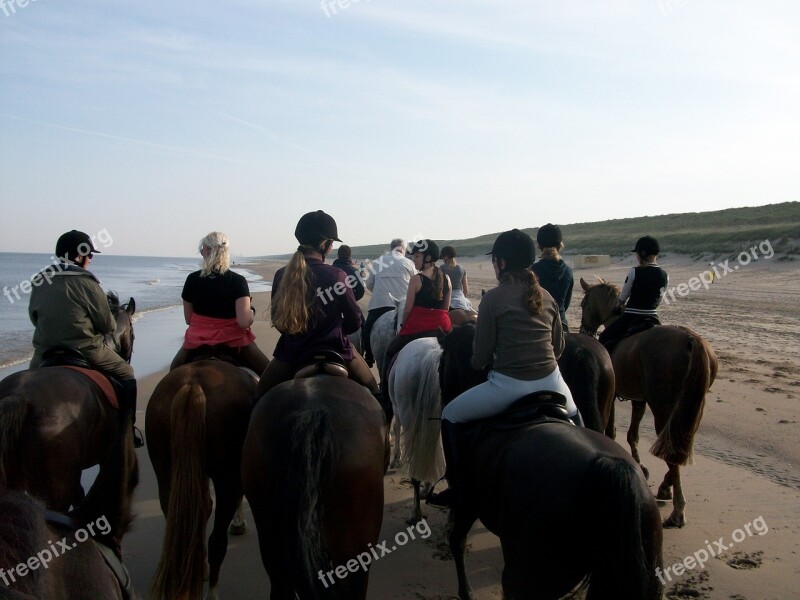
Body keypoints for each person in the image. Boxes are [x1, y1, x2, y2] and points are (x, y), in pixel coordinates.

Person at [427, 229, 581, 508]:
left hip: (509, 386)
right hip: (553, 382)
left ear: (501, 263)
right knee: (579, 421)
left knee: (450, 415)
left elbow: (480, 357)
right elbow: (558, 349)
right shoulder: (546, 295)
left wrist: (482, 361)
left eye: (494, 261)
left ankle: (458, 486)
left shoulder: (493, 299)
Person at [29, 230, 143, 447]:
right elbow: (108, 326)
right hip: (85, 349)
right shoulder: (88, 283)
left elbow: (35, 318)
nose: (90, 260)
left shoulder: (39, 280)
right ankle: (128, 430)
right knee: (127, 372)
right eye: (89, 255)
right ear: (79, 256)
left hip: (44, 352)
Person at [255, 210, 380, 402]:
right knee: (375, 395)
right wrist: (336, 329)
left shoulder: (282, 275)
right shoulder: (337, 276)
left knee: (258, 399)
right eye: (331, 244)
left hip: (292, 354)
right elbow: (355, 322)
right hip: (337, 350)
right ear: (325, 245)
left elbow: (279, 322)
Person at [170, 232, 270, 375]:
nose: (201, 253)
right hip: (233, 339)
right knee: (268, 375)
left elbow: (188, 319)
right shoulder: (237, 281)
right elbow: (243, 322)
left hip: (197, 339)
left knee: (173, 373)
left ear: (210, 251)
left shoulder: (192, 279)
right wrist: (251, 313)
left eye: (203, 249)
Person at [380, 239, 452, 400]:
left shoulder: (416, 279)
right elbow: (446, 309)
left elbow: (407, 309)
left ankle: (385, 396)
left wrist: (404, 325)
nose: (413, 259)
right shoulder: (446, 279)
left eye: (417, 256)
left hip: (418, 326)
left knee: (390, 352)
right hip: (443, 328)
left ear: (427, 258)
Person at [598, 235, 668, 354]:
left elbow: (623, 297)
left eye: (637, 253)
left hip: (631, 316)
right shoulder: (665, 275)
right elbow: (659, 299)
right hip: (653, 318)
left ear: (643, 253)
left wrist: (617, 306)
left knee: (604, 338)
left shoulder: (634, 271)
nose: (636, 256)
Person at [361, 239, 417, 367]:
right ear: (403, 249)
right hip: (403, 305)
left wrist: (378, 290)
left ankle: (368, 355)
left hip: (380, 304)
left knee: (368, 326)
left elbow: (369, 284)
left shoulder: (378, 262)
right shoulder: (409, 262)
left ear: (391, 247)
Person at [531, 223, 574, 331]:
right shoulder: (568, 271)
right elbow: (566, 304)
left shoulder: (533, 271)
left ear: (539, 246)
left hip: (538, 323)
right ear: (560, 245)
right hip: (561, 323)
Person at [439, 246, 474, 311]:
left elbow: (439, 286)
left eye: (443, 258)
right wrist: (463, 299)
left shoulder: (442, 268)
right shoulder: (461, 269)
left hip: (447, 298)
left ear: (446, 257)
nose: (443, 260)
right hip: (460, 297)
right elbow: (466, 290)